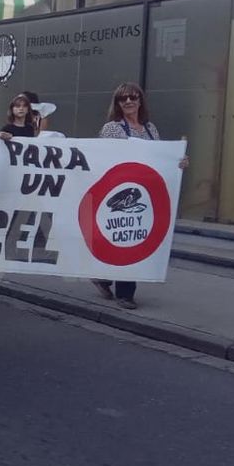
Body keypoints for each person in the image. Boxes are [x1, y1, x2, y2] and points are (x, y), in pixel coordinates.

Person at [91, 82, 188, 310]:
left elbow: (159, 158)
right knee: (126, 238)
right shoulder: (112, 129)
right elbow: (104, 159)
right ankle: (125, 293)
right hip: (121, 193)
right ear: (117, 103)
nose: (128, 102)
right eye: (123, 98)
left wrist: (178, 162)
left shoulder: (150, 128)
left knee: (132, 238)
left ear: (140, 101)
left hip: (144, 193)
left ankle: (103, 277)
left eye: (133, 97)